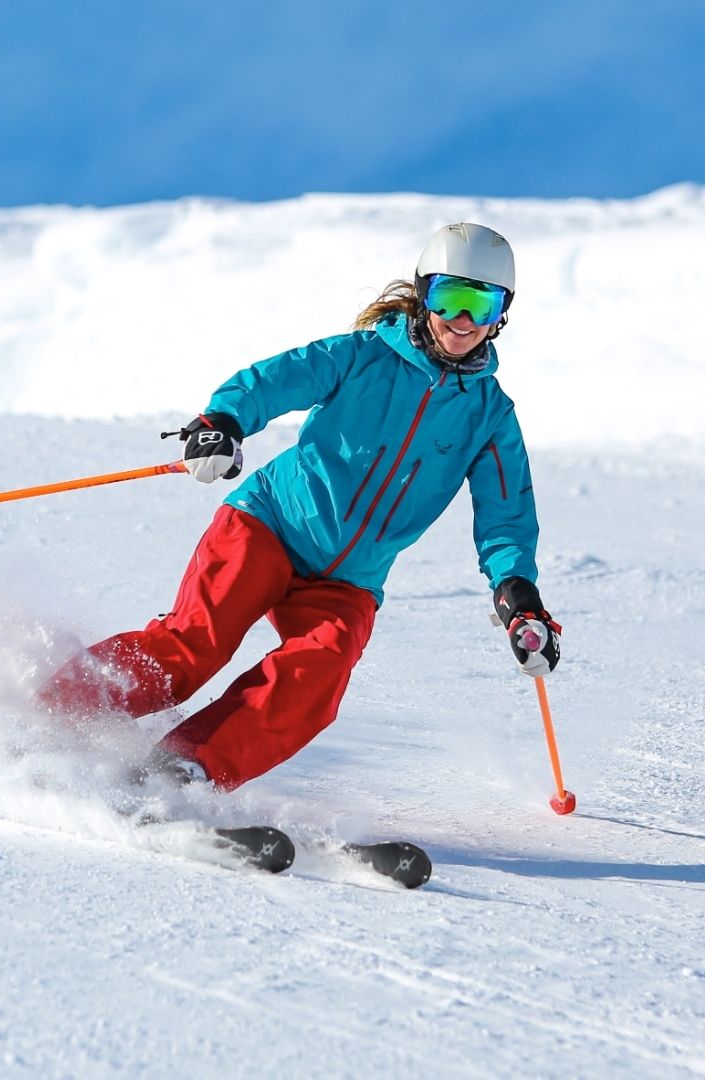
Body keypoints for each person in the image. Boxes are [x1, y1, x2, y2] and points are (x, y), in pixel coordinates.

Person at [37, 222, 561, 790]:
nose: (463, 321)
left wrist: (518, 594)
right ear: (421, 294)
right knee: (193, 647)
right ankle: (46, 713)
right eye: (449, 298)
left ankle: (181, 773)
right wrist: (223, 423)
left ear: (501, 314)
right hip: (270, 525)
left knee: (318, 673)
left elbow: (504, 514)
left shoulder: (490, 415)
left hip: (349, 580)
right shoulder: (361, 356)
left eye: (481, 304)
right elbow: (274, 381)